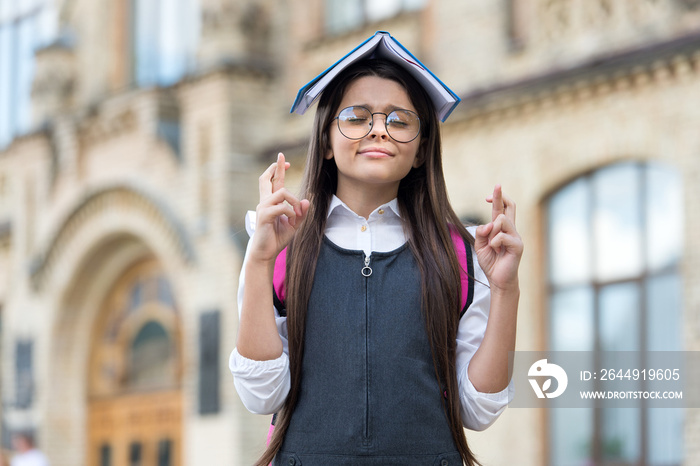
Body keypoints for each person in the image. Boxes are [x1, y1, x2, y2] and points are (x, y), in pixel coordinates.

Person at [230, 35, 523, 466]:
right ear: (327, 140)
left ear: (422, 150)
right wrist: (258, 261)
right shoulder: (276, 243)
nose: (379, 129)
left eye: (400, 121)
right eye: (356, 116)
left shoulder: (461, 252)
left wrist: (505, 290)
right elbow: (260, 395)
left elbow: (476, 411)